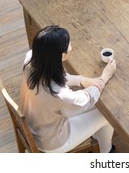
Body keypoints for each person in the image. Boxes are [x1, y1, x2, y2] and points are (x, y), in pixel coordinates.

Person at [20, 25, 117, 153]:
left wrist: (81, 80)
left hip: (35, 124)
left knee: (95, 109)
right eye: (68, 44)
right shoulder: (58, 94)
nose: (71, 46)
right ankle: (106, 152)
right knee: (107, 115)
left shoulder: (31, 58)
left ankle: (99, 141)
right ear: (62, 55)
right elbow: (85, 100)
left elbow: (53, 77)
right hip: (52, 141)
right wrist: (105, 77)